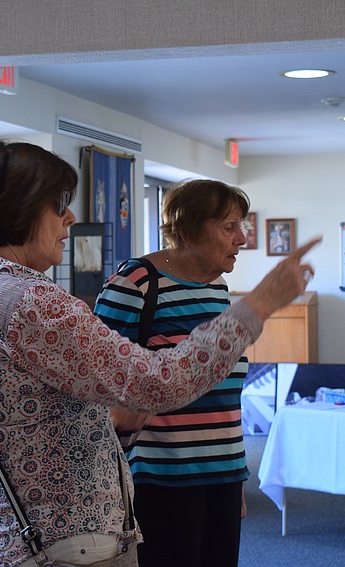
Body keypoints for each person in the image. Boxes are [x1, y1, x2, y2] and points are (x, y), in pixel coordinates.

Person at [0, 140, 320, 567]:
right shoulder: (33, 303)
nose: (70, 218)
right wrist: (260, 304)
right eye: (57, 205)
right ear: (14, 213)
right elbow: (156, 383)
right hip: (69, 546)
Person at [92, 179, 253, 567]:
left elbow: (222, 394)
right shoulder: (138, 283)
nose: (243, 239)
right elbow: (96, 381)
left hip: (224, 473)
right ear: (189, 227)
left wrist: (236, 480)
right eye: (229, 227)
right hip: (160, 478)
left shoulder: (218, 288)